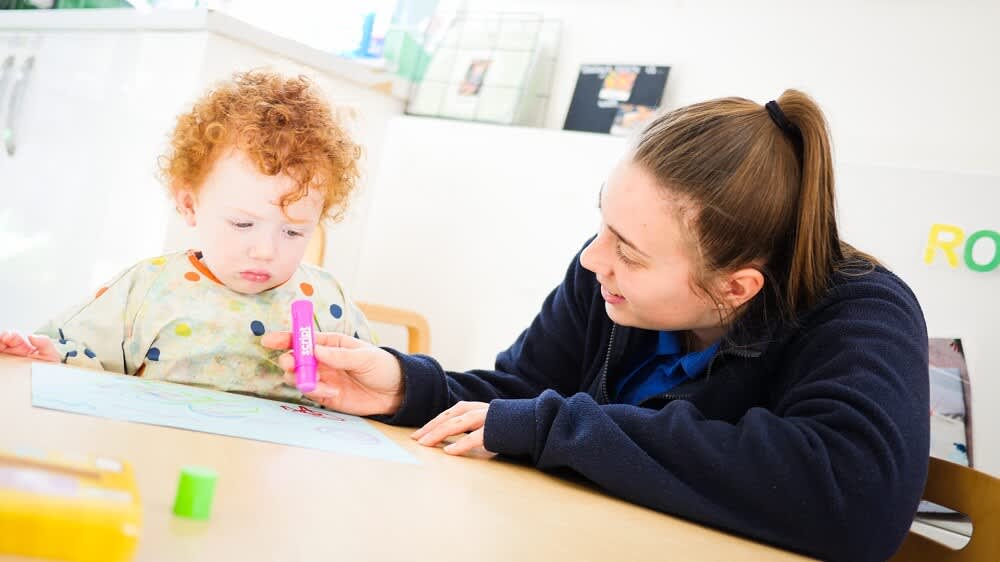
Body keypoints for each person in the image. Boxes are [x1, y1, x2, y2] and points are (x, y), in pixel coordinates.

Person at [262, 90, 929, 561]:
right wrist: (406, 387)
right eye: (602, 222)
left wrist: (554, 427)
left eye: (628, 252)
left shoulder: (859, 311)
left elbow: (855, 499)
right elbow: (524, 391)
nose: (592, 259)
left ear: (735, 288)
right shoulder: (603, 278)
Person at [0, 70, 372, 404]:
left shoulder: (327, 302)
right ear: (190, 204)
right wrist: (47, 354)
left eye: (294, 231)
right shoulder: (148, 289)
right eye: (243, 224)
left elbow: (371, 388)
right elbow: (83, 358)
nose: (265, 250)